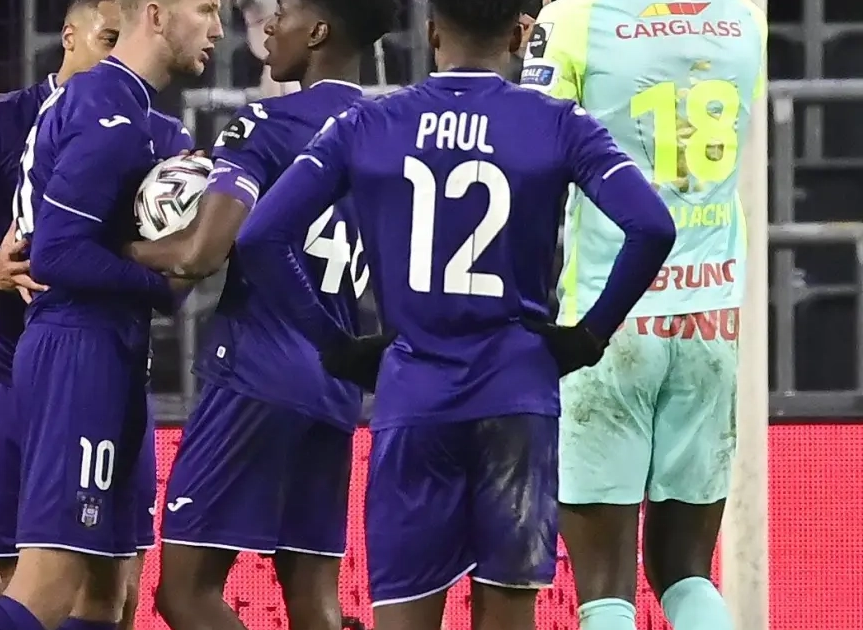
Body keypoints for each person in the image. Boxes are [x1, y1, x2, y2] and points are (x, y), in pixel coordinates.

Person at [232, 0, 678, 627]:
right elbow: (652, 226)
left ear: (432, 32)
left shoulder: (368, 124)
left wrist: (336, 345)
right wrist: (589, 335)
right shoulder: (557, 122)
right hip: (517, 397)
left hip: (412, 396)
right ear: (520, 35)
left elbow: (260, 238)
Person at [0, 1, 193, 627]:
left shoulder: (162, 136)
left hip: (104, 366)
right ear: (69, 36)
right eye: (107, 38)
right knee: (22, 583)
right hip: (8, 366)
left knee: (112, 592)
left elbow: (155, 257)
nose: (119, 52)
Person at [125, 2, 395, 629]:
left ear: (319, 32)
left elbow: (199, 253)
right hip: (336, 382)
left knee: (184, 593)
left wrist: (105, 246)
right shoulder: (386, 134)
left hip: (256, 373)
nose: (269, 26)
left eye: (284, 14)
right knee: (314, 599)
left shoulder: (267, 123)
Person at [520, 0, 766, 628]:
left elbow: (528, 148)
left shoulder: (574, 18)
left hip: (607, 323)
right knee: (686, 573)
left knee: (606, 588)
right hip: (710, 321)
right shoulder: (746, 20)